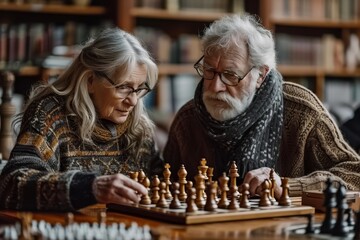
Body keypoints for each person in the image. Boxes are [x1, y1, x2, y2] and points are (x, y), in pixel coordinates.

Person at [163, 14, 360, 199]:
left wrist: (286, 186)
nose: (215, 87)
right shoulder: (187, 120)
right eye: (209, 70)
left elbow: (354, 174)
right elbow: (165, 184)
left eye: (231, 75)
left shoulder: (301, 110)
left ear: (261, 75)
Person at [0, 28, 163, 211]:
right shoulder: (51, 113)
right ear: (90, 80)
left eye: (140, 88)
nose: (133, 101)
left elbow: (163, 183)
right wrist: (91, 188)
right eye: (123, 87)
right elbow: (11, 184)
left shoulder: (138, 123)